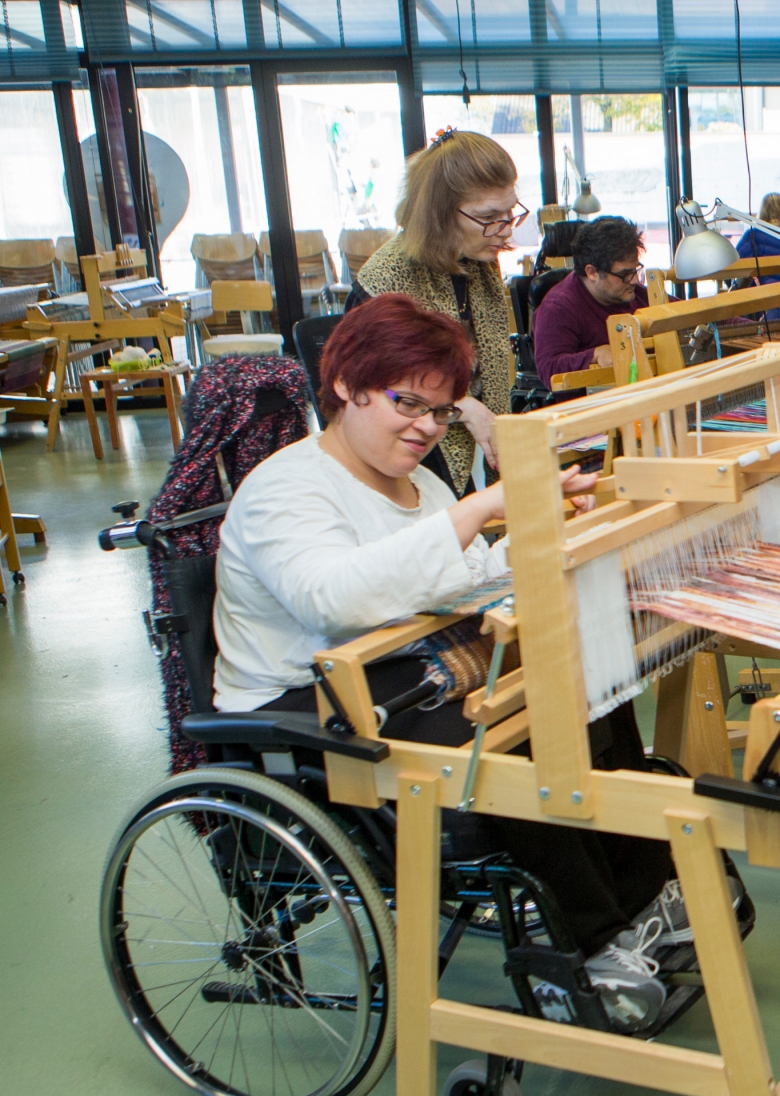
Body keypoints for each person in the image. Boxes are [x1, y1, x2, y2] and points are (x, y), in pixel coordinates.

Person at [213, 293, 721, 1032]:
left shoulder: (416, 484)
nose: (425, 427)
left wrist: (544, 529)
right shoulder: (284, 491)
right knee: (507, 736)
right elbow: (333, 599)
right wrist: (480, 508)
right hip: (304, 705)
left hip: (402, 663)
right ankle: (599, 939)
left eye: (443, 411)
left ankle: (641, 899)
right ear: (348, 388)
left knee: (583, 687)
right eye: (406, 403)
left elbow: (461, 575)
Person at [346, 129, 524, 499]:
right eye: (489, 216)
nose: (504, 229)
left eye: (510, 213)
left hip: (462, 452)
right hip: (405, 461)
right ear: (441, 215)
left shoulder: (477, 264)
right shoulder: (386, 282)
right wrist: (462, 406)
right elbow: (380, 390)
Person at [532, 215, 646, 388]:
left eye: (635, 270)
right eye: (624, 274)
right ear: (592, 272)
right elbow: (549, 369)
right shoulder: (558, 308)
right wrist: (594, 355)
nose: (635, 280)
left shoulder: (633, 293)